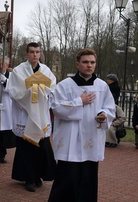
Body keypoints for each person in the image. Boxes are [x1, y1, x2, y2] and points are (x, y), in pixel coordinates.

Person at [49, 48, 115, 202]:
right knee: (66, 178)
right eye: (85, 62)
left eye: (92, 62)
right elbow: (56, 108)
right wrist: (80, 102)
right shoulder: (65, 85)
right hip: (70, 139)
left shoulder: (102, 86)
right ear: (77, 64)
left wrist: (104, 115)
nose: (89, 65)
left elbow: (110, 107)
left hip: (91, 138)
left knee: (88, 178)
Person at [7, 42, 57, 192]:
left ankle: (38, 176)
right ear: (26, 54)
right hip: (25, 115)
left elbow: (52, 87)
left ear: (40, 53)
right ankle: (28, 178)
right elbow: (14, 91)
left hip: (41, 115)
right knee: (26, 149)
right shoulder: (18, 71)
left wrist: (41, 88)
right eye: (32, 52)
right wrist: (31, 88)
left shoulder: (46, 70)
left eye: (37, 52)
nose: (35, 54)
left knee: (41, 148)